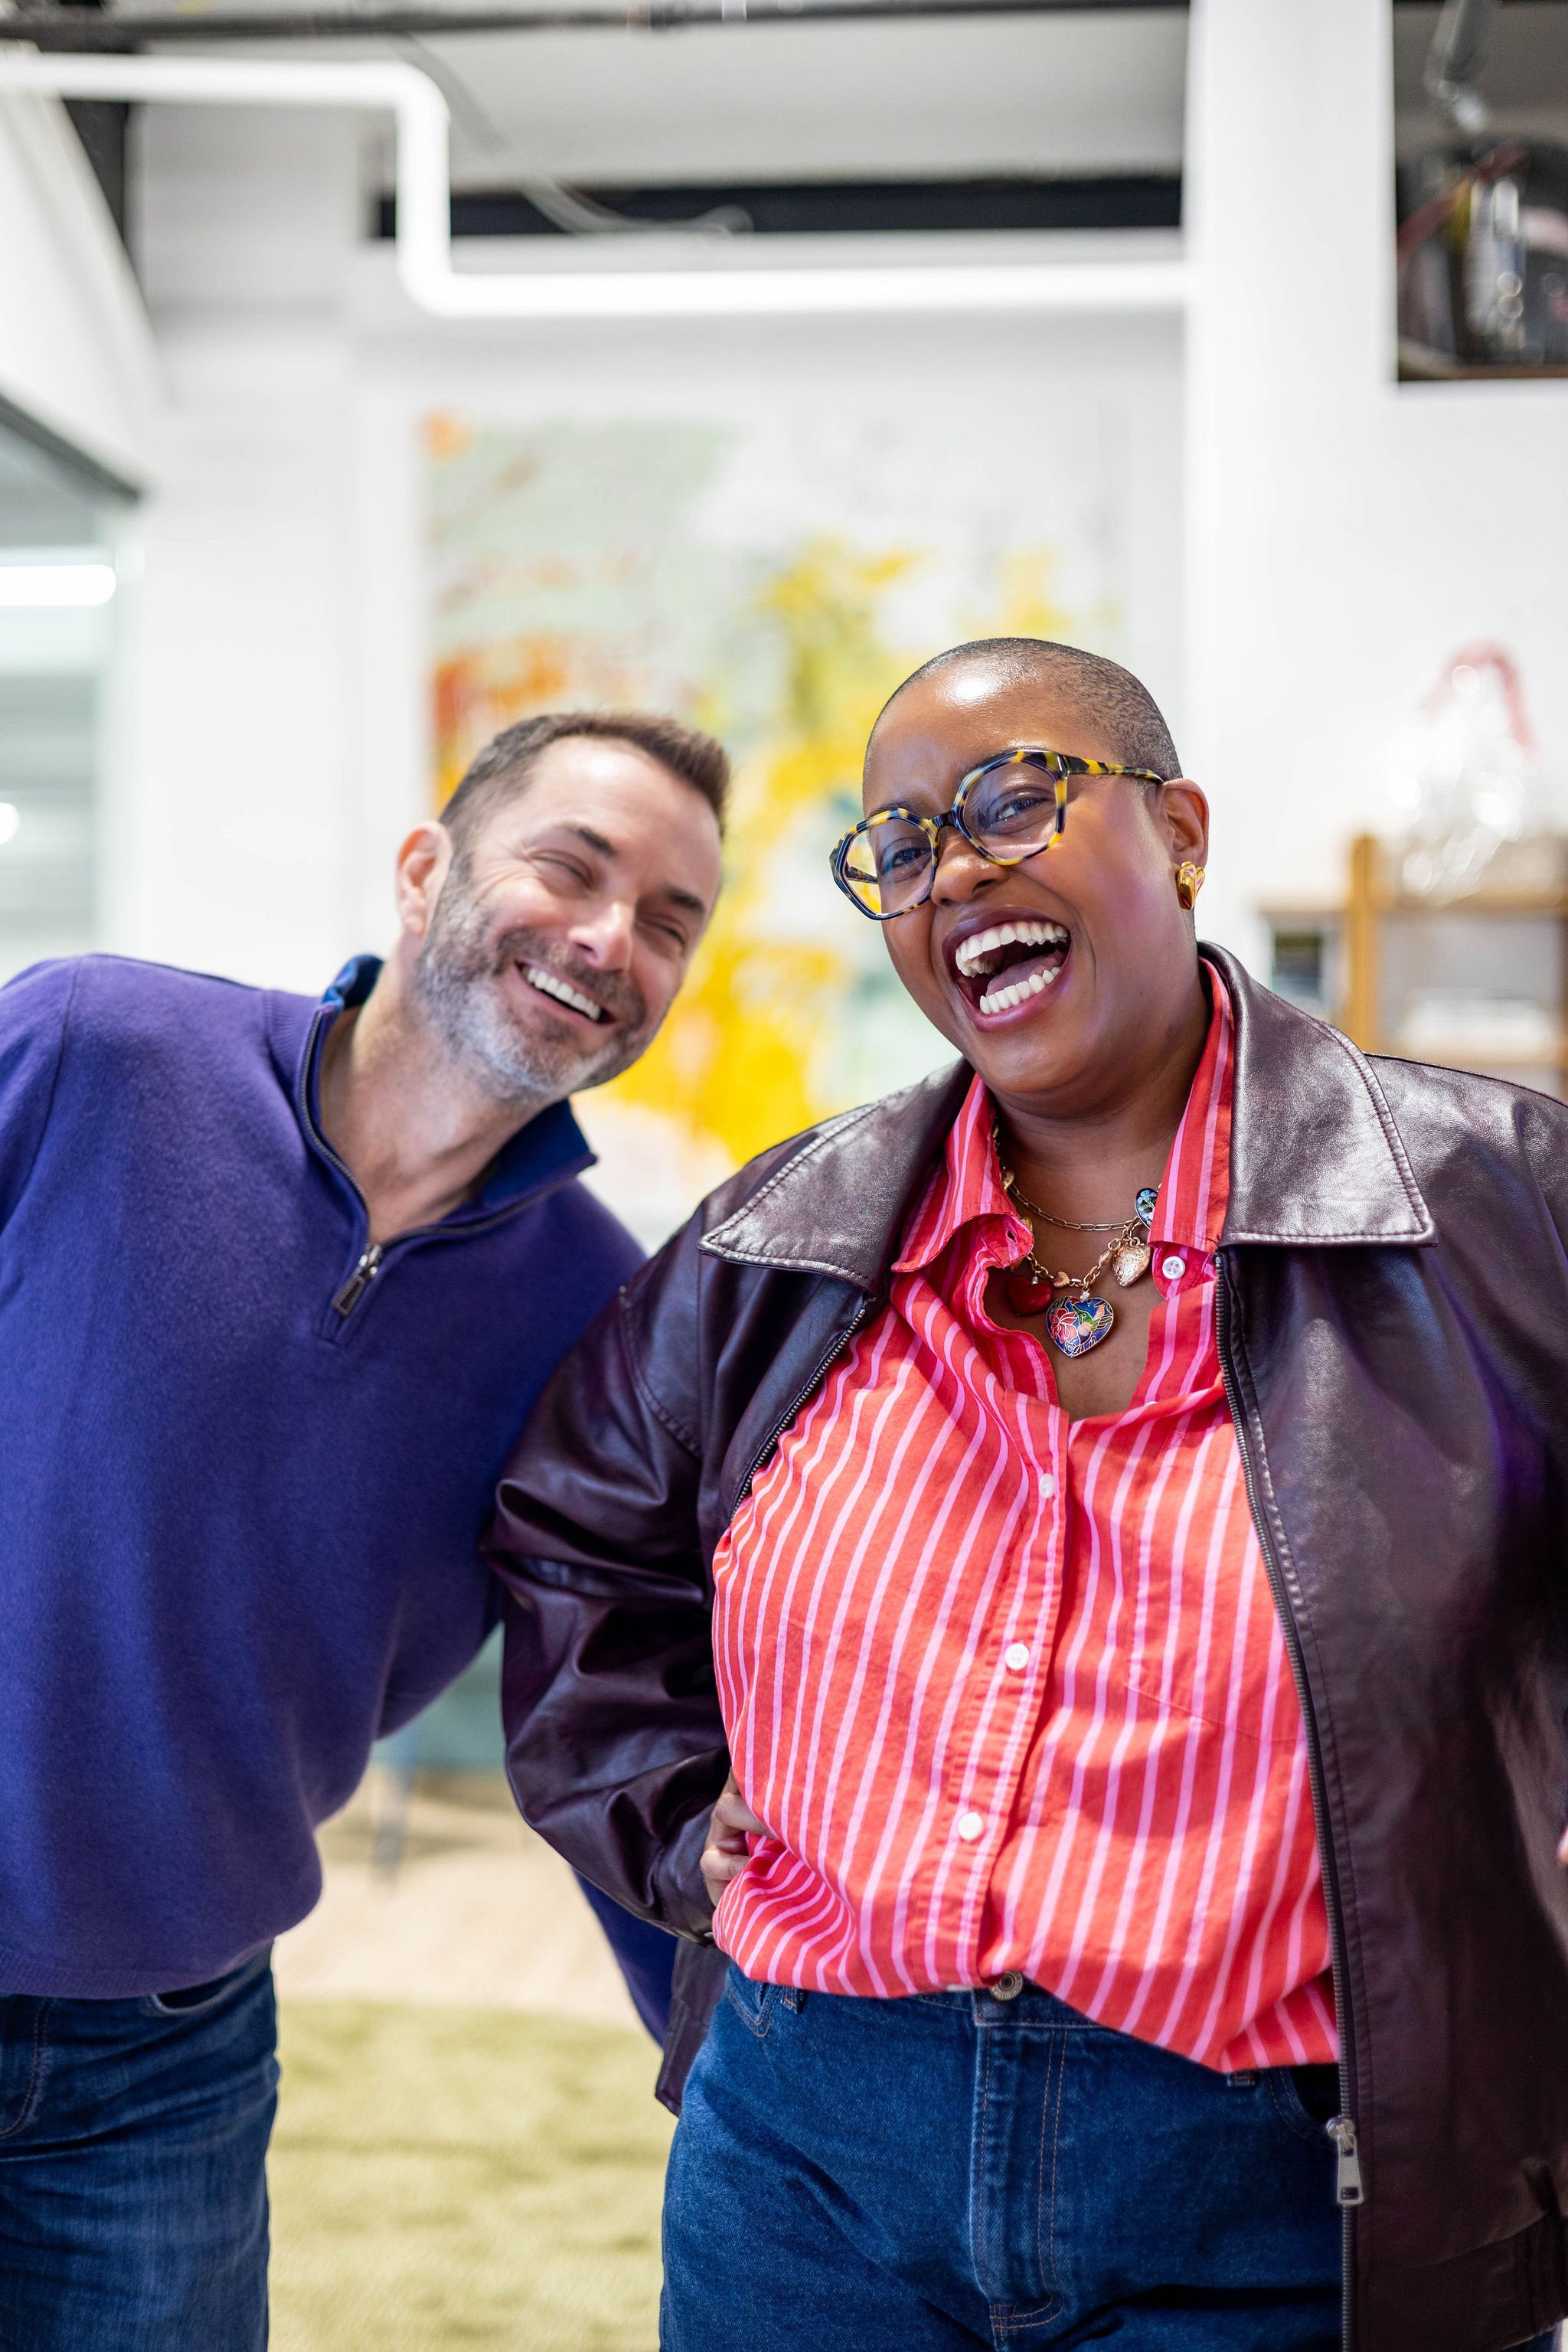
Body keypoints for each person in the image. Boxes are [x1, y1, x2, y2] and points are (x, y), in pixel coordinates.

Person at [489, 640, 1568, 2352]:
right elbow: (572, 1538)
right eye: (900, 847)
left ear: (1182, 831)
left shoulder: (1499, 1205)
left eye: (1012, 800)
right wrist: (670, 1815)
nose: (954, 869)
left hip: (1290, 2189)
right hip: (807, 2162)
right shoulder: (777, 1243)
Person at [0, 707, 726, 2350]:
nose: (612, 938)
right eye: (573, 867)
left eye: (670, 921)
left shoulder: (598, 1313)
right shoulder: (91, 1050)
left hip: (164, 2057)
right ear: (425, 871)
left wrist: (723, 2053)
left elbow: (595, 1691)